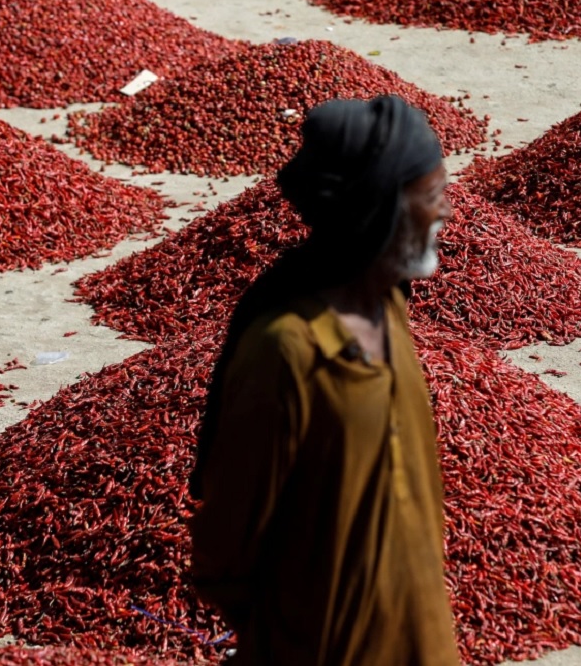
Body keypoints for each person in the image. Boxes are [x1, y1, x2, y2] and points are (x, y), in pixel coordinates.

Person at [189, 95, 460, 666]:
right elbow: (226, 549)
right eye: (432, 196)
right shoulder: (287, 351)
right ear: (381, 210)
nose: (445, 213)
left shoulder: (390, 309)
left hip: (423, 641)